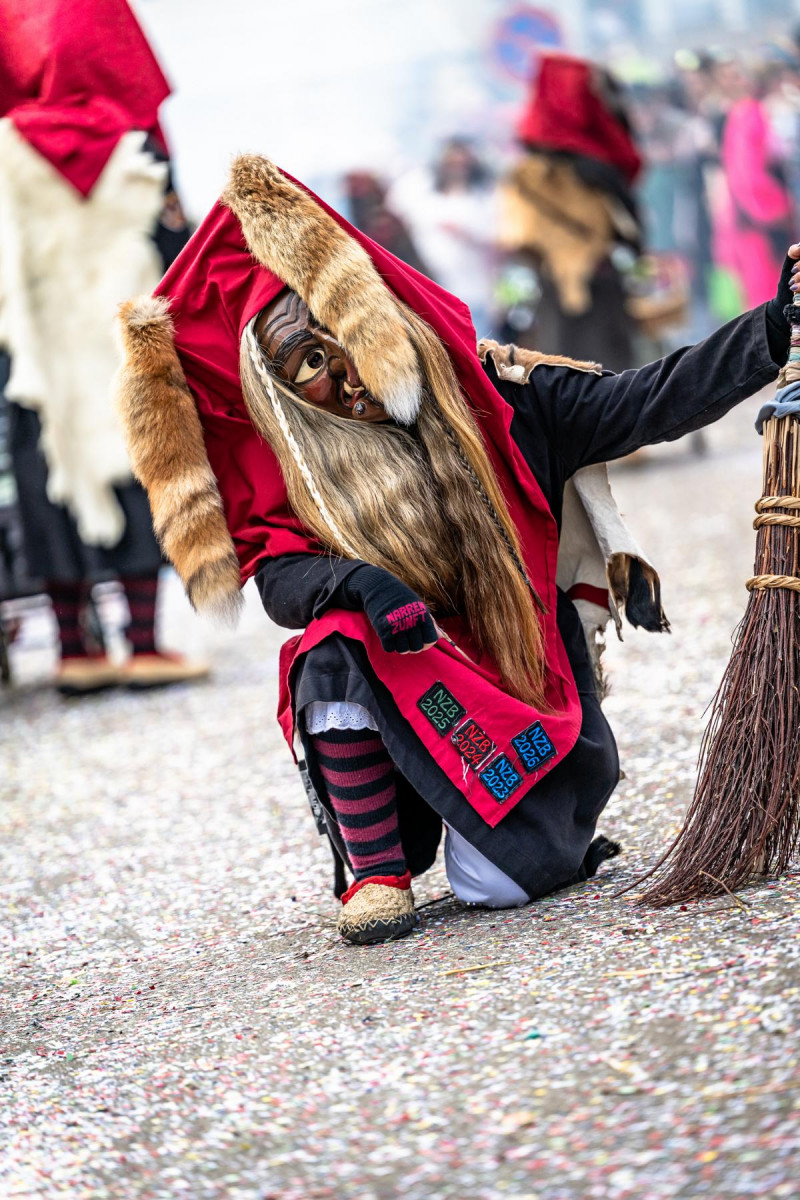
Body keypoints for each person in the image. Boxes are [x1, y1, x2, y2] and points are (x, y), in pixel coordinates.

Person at [115, 154, 796, 945]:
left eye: (340, 332)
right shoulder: (302, 487)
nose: (343, 371)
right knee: (327, 646)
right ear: (285, 398)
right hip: (409, 706)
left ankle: (543, 835)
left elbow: (645, 399)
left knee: (495, 886)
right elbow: (281, 582)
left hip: (527, 702)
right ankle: (377, 874)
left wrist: (772, 324)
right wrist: (363, 585)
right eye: (308, 364)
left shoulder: (499, 399)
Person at [0, 0, 206, 694]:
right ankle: (143, 641)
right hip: (122, 330)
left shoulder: (4, 147)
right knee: (141, 452)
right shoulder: (134, 140)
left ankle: (73, 648)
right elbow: (174, 242)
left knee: (42, 463)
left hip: (34, 347)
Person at [499, 53, 643, 371]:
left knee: (586, 370)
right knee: (594, 372)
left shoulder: (535, 171)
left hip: (581, 281)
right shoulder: (552, 172)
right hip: (578, 282)